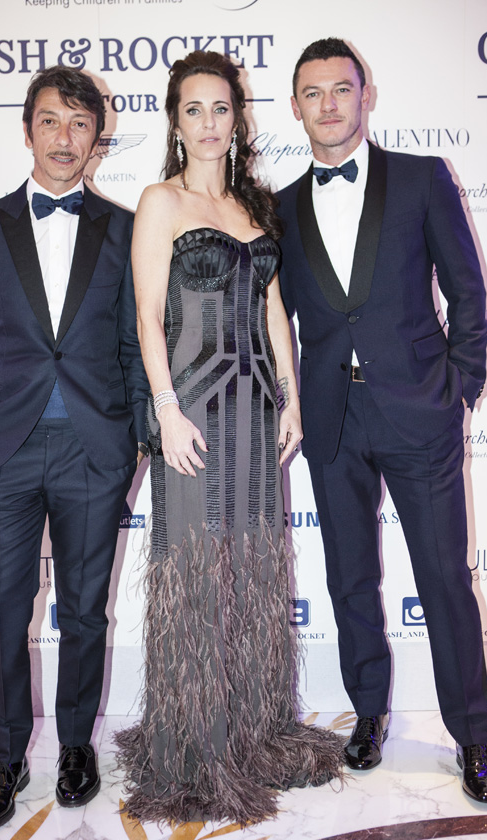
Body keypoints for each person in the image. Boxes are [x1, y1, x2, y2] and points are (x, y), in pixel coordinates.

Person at [112, 50, 345, 826]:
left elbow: (274, 310)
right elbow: (148, 316)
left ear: (237, 118)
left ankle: (248, 731)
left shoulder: (255, 205)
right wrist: (166, 408)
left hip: (255, 411)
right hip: (194, 411)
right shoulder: (161, 201)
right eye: (194, 110)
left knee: (250, 567)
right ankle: (196, 745)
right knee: (197, 570)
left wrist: (292, 398)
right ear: (175, 123)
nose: (210, 123)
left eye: (221, 108)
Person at [274, 38, 487, 804]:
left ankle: (472, 735)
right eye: (313, 93)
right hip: (331, 421)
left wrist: (461, 387)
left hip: (419, 411)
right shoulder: (280, 210)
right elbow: (273, 319)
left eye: (341, 89)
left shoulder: (422, 179)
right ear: (295, 106)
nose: (328, 104)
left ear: (365, 95)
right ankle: (367, 715)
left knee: (444, 578)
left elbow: (468, 292)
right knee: (350, 579)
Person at [0, 65, 149, 832]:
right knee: (3, 614)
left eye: (81, 124)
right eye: (52, 121)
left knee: (86, 613)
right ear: (27, 130)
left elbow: (134, 343)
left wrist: (134, 441)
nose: (66, 138)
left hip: (94, 450)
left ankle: (74, 747)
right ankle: (6, 758)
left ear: (99, 138)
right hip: (1, 452)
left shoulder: (123, 230)